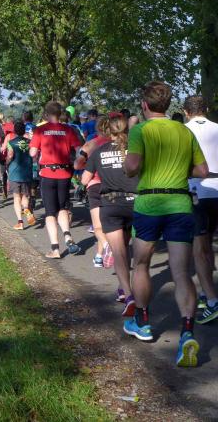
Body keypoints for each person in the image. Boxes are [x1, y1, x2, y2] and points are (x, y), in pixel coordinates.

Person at [124, 81, 208, 368]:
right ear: (168, 104)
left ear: (144, 105)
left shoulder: (141, 130)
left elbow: (132, 167)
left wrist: (133, 165)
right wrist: (179, 167)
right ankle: (187, 334)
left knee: (142, 264)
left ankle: (143, 322)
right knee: (181, 272)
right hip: (180, 204)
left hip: (149, 204)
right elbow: (202, 170)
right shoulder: (184, 131)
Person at [82, 114, 138, 316]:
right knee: (130, 248)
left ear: (108, 131)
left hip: (111, 205)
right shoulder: (135, 149)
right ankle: (125, 288)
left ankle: (127, 294)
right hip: (135, 203)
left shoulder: (99, 151)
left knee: (119, 251)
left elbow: (84, 179)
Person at [29, 101, 83, 258]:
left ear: (46, 114)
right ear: (60, 114)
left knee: (50, 213)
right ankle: (67, 236)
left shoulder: (40, 130)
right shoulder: (68, 129)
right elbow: (79, 150)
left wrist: (37, 151)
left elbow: (32, 153)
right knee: (63, 208)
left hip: (47, 174)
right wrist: (76, 161)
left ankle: (55, 249)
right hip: (65, 174)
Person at [183, 95, 218, 324]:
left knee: (200, 249)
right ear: (206, 109)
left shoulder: (183, 131)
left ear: (186, 112)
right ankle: (207, 292)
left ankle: (211, 300)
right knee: (208, 247)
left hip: (198, 191)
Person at [74, 116, 112, 267]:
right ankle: (99, 256)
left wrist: (88, 164)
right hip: (115, 185)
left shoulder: (91, 144)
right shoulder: (120, 143)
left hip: (95, 184)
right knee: (109, 224)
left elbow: (77, 164)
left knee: (98, 226)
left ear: (97, 128)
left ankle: (108, 247)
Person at [5, 121, 37, 230]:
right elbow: (34, 156)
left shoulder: (11, 142)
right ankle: (26, 209)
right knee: (25, 196)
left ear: (14, 131)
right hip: (26, 172)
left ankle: (20, 222)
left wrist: (7, 163)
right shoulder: (30, 142)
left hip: (15, 173)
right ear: (24, 131)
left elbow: (10, 155)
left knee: (16, 197)